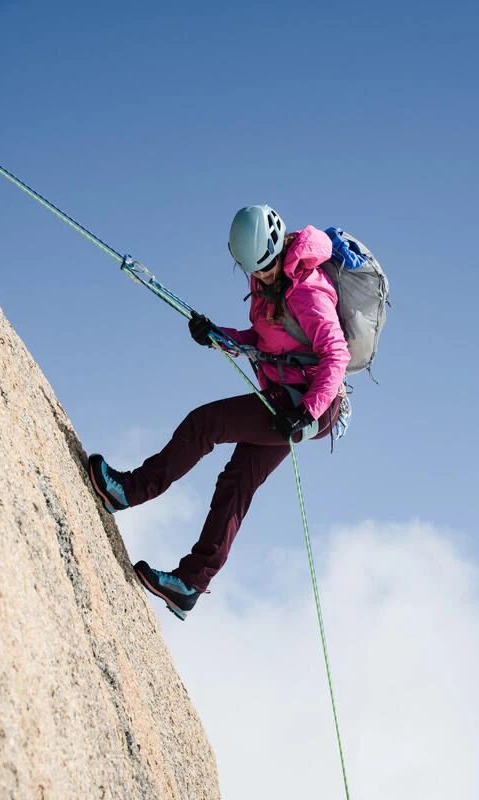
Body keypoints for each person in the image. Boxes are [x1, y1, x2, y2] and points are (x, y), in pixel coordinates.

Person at [88, 205, 350, 620]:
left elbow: (336, 355)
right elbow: (263, 339)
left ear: (279, 249)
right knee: (237, 482)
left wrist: (306, 413)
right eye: (254, 270)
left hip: (308, 404)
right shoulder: (267, 278)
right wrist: (217, 335)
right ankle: (189, 585)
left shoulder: (307, 291)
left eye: (267, 268)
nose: (262, 276)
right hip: (290, 397)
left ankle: (128, 491)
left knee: (205, 424)